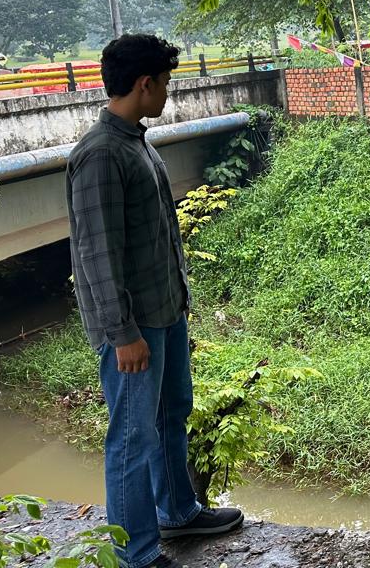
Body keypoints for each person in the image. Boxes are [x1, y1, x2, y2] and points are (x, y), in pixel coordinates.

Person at [67, 34, 244, 568]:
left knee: (171, 414)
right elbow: (97, 255)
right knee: (131, 438)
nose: (168, 92)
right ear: (144, 84)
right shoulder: (100, 155)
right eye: (165, 82)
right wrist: (123, 334)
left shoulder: (135, 142)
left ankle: (178, 511)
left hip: (164, 312)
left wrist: (178, 302)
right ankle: (136, 554)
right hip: (133, 327)